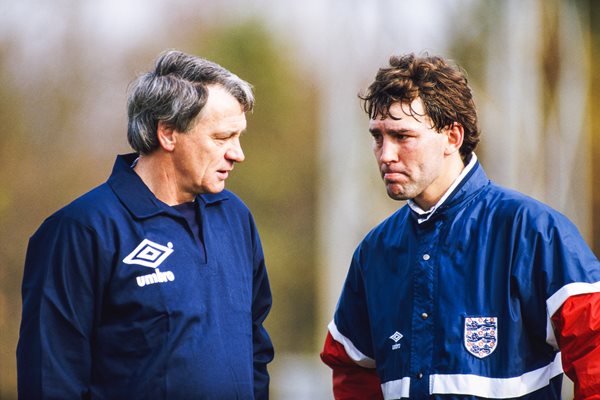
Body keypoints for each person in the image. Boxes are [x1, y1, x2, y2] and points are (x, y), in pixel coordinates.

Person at [320, 53, 600, 399]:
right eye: (378, 137)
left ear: (452, 137)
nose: (385, 154)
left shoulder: (532, 231)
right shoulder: (374, 252)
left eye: (402, 136)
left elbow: (595, 346)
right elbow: (351, 367)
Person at [17, 50, 274, 399]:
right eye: (221, 138)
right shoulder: (80, 231)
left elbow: (255, 349)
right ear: (168, 133)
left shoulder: (236, 217)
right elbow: (51, 378)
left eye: (238, 136)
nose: (237, 153)